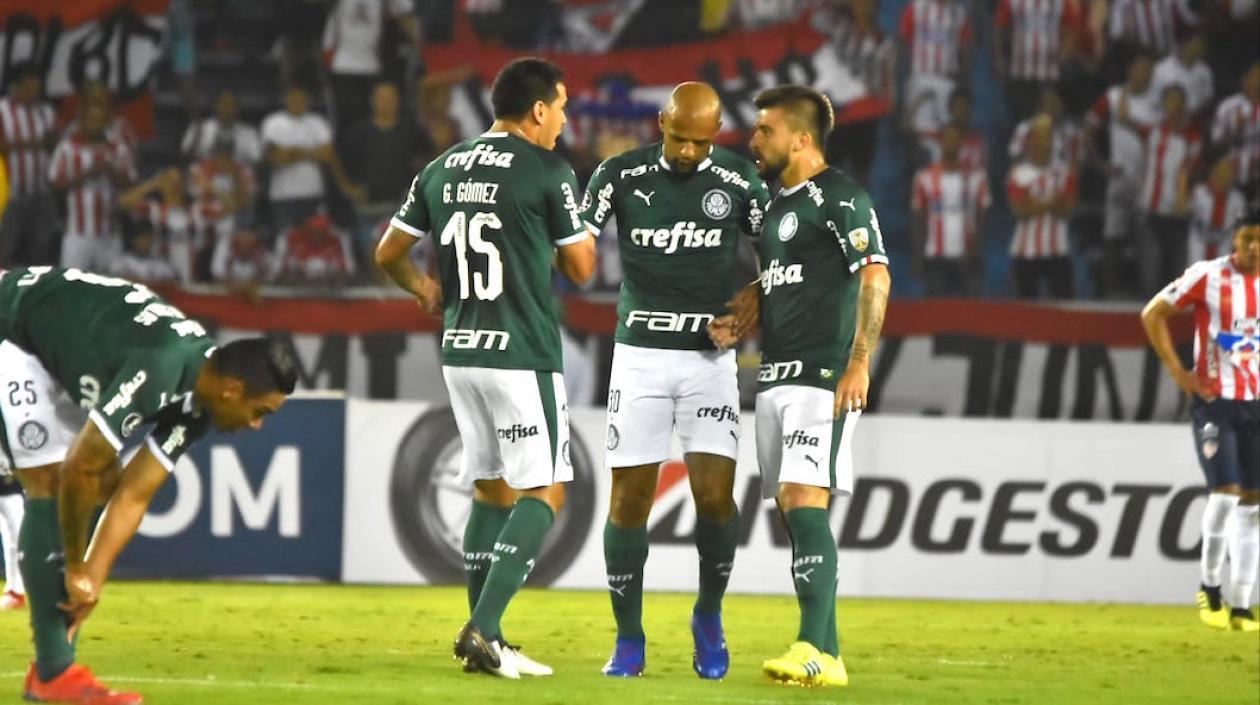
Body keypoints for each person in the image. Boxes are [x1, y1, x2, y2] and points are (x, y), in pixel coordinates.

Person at [375, 57, 595, 679]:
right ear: (538, 110)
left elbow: (388, 252)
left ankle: (488, 645)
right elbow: (581, 268)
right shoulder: (549, 169)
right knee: (546, 489)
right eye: (563, 105)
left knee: (490, 490)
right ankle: (483, 628)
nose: (566, 118)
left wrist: (423, 287)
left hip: (462, 352)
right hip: (521, 351)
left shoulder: (442, 167)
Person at [0, 266, 297, 703]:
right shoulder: (162, 365)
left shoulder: (201, 397)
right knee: (52, 479)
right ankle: (54, 674)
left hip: (52, 352)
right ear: (234, 389)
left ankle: (54, 670)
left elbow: (134, 494)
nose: (255, 426)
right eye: (261, 412)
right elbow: (79, 469)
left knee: (103, 480)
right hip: (14, 327)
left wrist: (93, 581)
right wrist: (75, 567)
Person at [578, 82, 770, 679]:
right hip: (638, 357)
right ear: (661, 122)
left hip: (708, 362)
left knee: (716, 500)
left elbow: (786, 251)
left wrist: (756, 292)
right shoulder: (616, 175)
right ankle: (629, 638)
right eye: (679, 137)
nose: (688, 152)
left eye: (701, 142)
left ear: (718, 135)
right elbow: (576, 248)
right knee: (629, 501)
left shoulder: (740, 182)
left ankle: (708, 616)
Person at [709, 84, 891, 688]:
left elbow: (875, 274)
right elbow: (787, 277)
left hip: (823, 374)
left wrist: (859, 359)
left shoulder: (839, 196)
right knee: (794, 507)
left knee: (805, 500)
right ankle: (830, 655)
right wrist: (749, 305)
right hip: (777, 376)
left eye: (765, 130)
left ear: (801, 137)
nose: (753, 139)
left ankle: (813, 646)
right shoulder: (780, 206)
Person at [1140, 212, 1260, 633]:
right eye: (1247, 239)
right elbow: (1152, 314)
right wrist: (1179, 373)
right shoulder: (1207, 276)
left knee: (1253, 508)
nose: (1253, 248)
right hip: (1214, 403)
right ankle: (1210, 587)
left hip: (1255, 405)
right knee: (1225, 496)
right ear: (1234, 240)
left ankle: (1243, 605)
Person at [1084, 51, 1158, 296]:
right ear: (1130, 70)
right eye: (1140, 67)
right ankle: (1110, 292)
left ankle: (1144, 293)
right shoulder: (1114, 97)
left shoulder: (1156, 100)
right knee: (1113, 237)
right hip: (1119, 175)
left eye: (1148, 68)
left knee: (1144, 239)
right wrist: (1098, 163)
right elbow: (1089, 126)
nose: (1144, 73)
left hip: (1148, 179)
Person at [261, 85, 361, 236]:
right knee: (285, 240)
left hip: (313, 193)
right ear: (286, 100)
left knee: (315, 238)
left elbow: (328, 156)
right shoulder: (273, 123)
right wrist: (312, 152)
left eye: (302, 99)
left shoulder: (317, 123)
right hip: (283, 196)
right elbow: (275, 159)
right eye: (294, 99)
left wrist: (293, 152)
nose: (298, 102)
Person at [48, 102, 136, 271]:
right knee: (71, 286)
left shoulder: (119, 149)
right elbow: (55, 184)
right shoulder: (67, 149)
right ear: (82, 121)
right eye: (92, 120)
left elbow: (130, 186)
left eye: (100, 120)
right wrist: (86, 174)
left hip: (110, 234)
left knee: (110, 289)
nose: (96, 124)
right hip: (76, 234)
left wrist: (111, 172)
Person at [911, 124, 990, 296]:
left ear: (961, 144)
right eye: (948, 139)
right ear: (941, 142)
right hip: (935, 255)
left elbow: (982, 216)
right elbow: (919, 218)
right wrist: (918, 255)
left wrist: (976, 250)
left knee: (968, 314)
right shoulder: (924, 177)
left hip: (966, 256)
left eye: (955, 140)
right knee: (936, 314)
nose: (951, 143)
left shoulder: (976, 177)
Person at [1006, 115, 1078, 298]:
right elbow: (1020, 211)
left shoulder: (1065, 173)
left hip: (1058, 250)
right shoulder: (1017, 174)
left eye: (1047, 135)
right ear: (1031, 140)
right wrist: (1052, 202)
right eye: (1039, 135)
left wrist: (1035, 203)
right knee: (1025, 312)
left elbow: (1066, 211)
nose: (1043, 141)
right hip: (1025, 252)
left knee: (1065, 310)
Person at [0, 62, 59, 267]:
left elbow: (55, 144)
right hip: (10, 194)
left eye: (37, 85)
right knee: (4, 247)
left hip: (40, 192)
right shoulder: (3, 110)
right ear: (16, 85)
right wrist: (32, 143)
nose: (35, 90)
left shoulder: (45, 112)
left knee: (40, 251)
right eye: (30, 85)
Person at [1187, 156, 1246, 264]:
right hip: (1197, 258)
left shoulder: (1237, 200)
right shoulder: (1199, 194)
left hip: (1222, 260)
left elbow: (1238, 229)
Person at [1211, 61, 1260, 190]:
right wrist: (1235, 133)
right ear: (1245, 80)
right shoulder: (1228, 106)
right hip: (1230, 178)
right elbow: (1215, 147)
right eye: (1255, 76)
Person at [180, 89, 263, 165]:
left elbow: (257, 161)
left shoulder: (249, 133)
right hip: (204, 177)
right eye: (222, 104)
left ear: (238, 108)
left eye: (230, 104)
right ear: (215, 106)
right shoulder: (198, 127)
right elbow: (185, 157)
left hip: (237, 176)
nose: (225, 108)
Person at [0, 455, 23, 611]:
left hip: (9, 486)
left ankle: (16, 591)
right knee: (11, 538)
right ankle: (14, 590)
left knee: (16, 539)